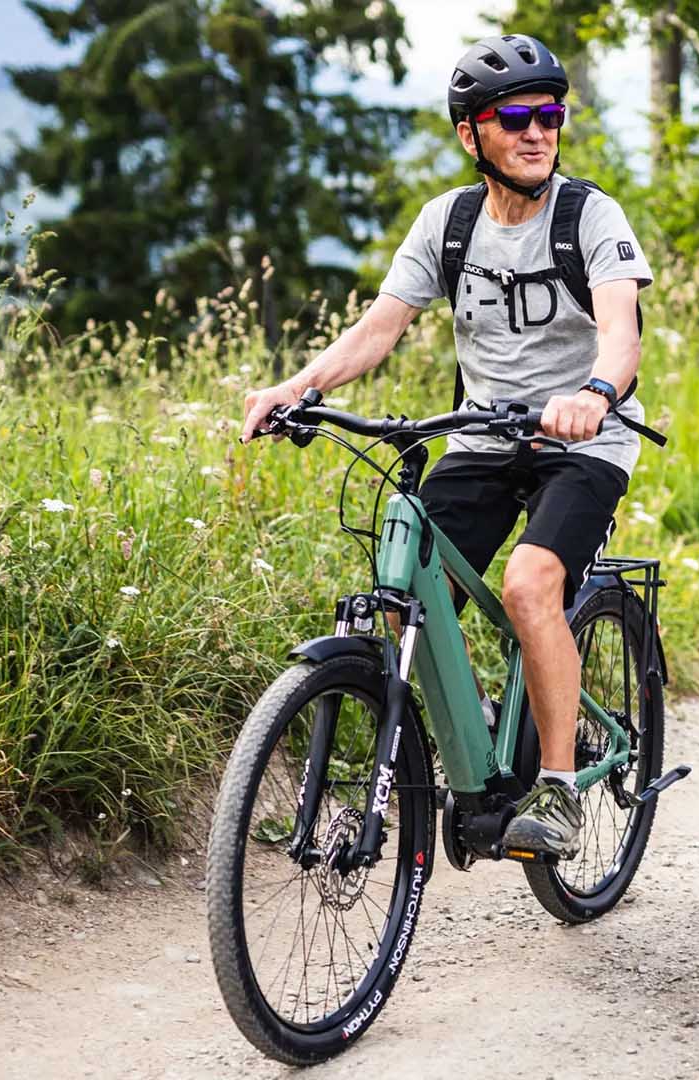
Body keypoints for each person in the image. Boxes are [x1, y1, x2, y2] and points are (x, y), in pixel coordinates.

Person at [238, 34, 654, 855]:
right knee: (404, 596)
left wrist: (594, 394)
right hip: (481, 438)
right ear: (472, 135)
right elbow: (377, 331)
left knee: (532, 585)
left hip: (583, 443)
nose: (537, 133)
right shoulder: (449, 223)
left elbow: (621, 334)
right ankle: (439, 751)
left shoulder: (589, 216)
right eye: (514, 118)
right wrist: (299, 389)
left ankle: (562, 789)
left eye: (550, 115)